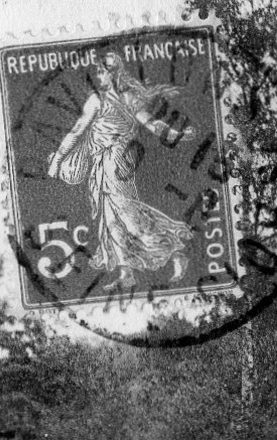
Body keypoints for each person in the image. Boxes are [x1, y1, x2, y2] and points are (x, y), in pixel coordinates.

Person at [46, 51, 194, 291]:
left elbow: (152, 125)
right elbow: (77, 131)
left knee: (130, 218)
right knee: (112, 220)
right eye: (98, 72)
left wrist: (177, 135)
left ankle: (175, 253)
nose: (99, 76)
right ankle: (126, 273)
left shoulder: (124, 98)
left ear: (114, 73)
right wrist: (58, 161)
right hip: (101, 164)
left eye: (102, 72)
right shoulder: (99, 99)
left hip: (117, 162)